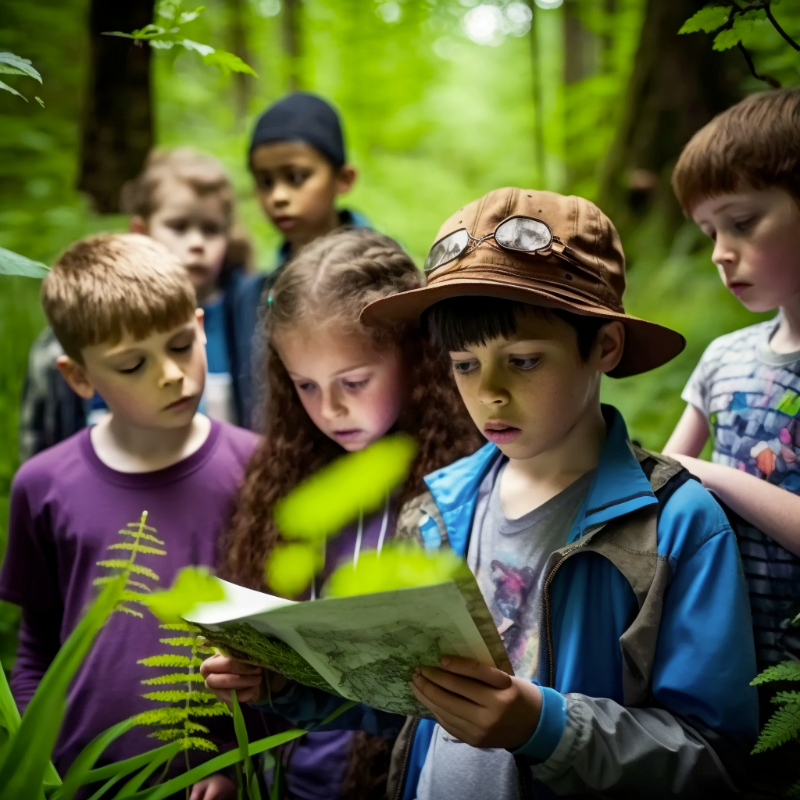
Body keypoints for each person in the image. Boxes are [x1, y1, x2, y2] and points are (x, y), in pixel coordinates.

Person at [202, 189, 759, 798]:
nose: (489, 392)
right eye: (465, 364)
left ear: (603, 346)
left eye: (521, 361)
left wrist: (543, 727)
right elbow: (410, 703)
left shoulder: (674, 525)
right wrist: (286, 686)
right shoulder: (440, 509)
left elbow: (718, 759)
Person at [220, 227, 482, 799]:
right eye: (305, 386)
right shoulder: (288, 478)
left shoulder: (466, 483)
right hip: (286, 777)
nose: (330, 409)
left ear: (415, 355)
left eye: (355, 382)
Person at [1, 234, 261, 799]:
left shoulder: (256, 468)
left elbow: (284, 647)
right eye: (133, 363)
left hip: (214, 780)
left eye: (180, 344)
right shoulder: (44, 486)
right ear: (79, 377)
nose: (171, 374)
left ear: (198, 323)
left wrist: (233, 766)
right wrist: (39, 766)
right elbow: (37, 647)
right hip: (82, 782)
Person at [663, 88, 800, 796]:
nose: (721, 253)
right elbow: (657, 487)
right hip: (722, 666)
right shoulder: (723, 357)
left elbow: (685, 468)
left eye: (742, 222)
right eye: (709, 231)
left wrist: (709, 474)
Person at [19, 147, 257, 460]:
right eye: (179, 226)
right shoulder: (67, 337)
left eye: (211, 229)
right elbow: (42, 445)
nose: (197, 243)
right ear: (140, 231)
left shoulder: (250, 318)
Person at [232, 92, 370, 426]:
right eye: (264, 182)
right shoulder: (252, 295)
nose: (278, 196)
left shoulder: (387, 278)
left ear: (343, 179)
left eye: (296, 177)